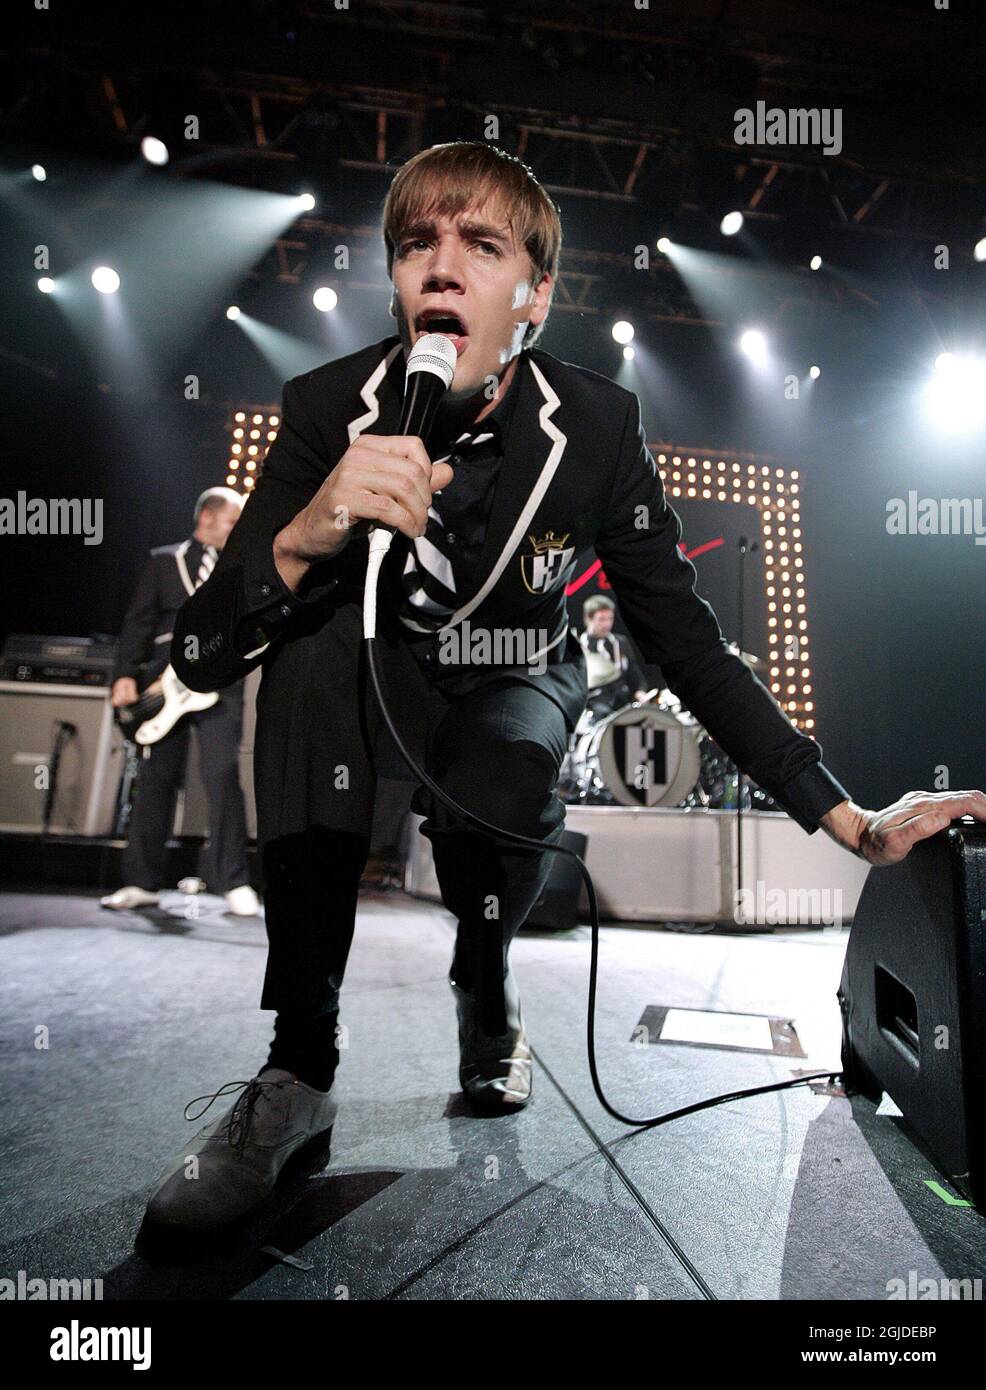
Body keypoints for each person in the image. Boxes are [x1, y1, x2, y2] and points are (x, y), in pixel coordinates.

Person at [141, 142, 986, 1237]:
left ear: (532, 296)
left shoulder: (595, 425)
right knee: (301, 656)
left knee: (509, 767)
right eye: (415, 245)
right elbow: (203, 655)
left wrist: (849, 816)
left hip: (510, 671)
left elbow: (684, 641)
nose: (439, 266)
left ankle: (483, 985)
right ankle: (297, 1072)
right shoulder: (321, 409)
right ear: (396, 282)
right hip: (373, 669)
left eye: (479, 245)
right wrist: (305, 535)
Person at [101, 487, 260, 918]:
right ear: (207, 517)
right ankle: (141, 881)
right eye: (231, 521)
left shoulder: (239, 567)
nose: (236, 529)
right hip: (164, 686)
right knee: (156, 779)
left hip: (221, 685)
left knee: (223, 776)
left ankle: (235, 881)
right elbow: (138, 622)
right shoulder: (163, 561)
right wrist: (125, 675)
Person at [578, 593, 651, 719]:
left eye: (610, 618)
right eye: (601, 619)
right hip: (594, 705)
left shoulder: (621, 643)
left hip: (622, 702)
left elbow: (635, 675)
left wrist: (640, 692)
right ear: (588, 619)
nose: (607, 624)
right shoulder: (578, 646)